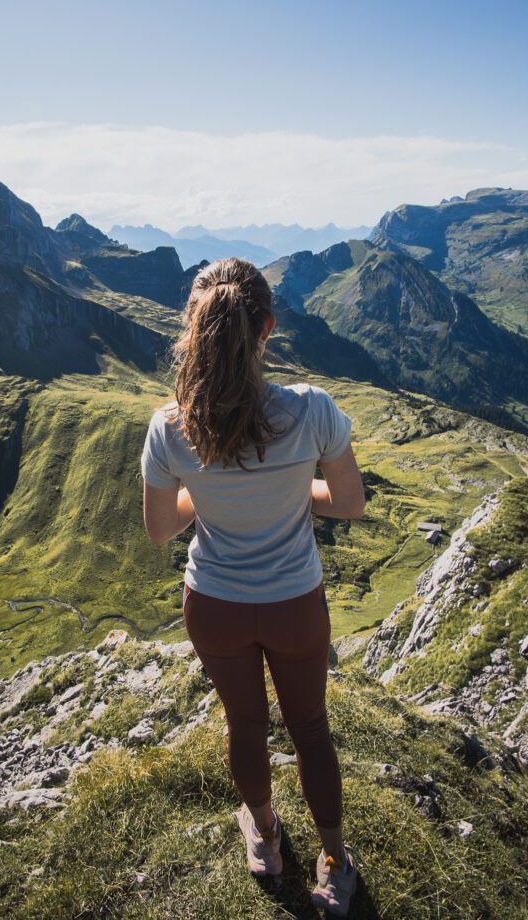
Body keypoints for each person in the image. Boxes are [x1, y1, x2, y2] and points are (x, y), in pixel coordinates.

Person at [140, 257, 365, 916]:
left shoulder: (169, 425)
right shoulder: (311, 410)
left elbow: (159, 530)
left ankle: (265, 838)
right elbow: (347, 502)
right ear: (267, 326)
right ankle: (332, 861)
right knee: (310, 729)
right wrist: (296, 492)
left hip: (214, 606)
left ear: (194, 329)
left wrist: (207, 502)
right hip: (295, 603)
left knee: (243, 724)